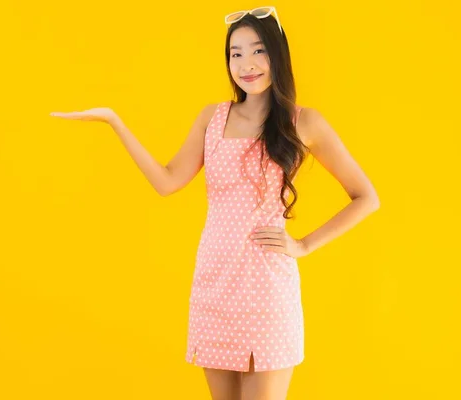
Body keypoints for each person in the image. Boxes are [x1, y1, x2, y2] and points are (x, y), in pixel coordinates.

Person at [51, 6, 380, 400]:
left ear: (277, 54)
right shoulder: (212, 117)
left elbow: (366, 197)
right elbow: (168, 182)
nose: (246, 64)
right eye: (235, 54)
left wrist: (304, 245)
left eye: (257, 51)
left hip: (266, 290)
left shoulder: (303, 122)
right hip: (214, 283)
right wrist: (115, 122)